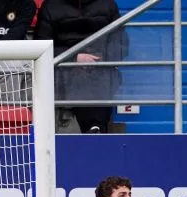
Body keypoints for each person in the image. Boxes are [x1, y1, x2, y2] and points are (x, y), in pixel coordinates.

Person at [34, 0, 127, 134]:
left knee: (99, 77)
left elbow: (121, 44)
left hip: (100, 68)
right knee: (77, 77)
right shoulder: (51, 6)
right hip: (63, 69)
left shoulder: (107, 4)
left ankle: (94, 129)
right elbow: (41, 47)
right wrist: (74, 58)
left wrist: (100, 58)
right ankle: (94, 128)